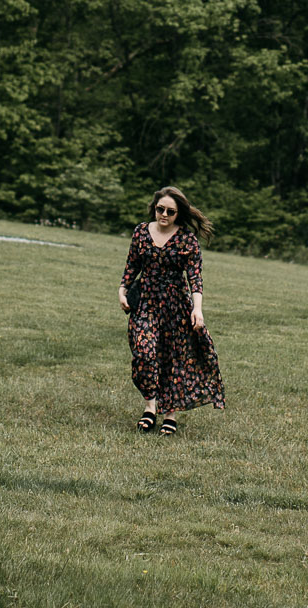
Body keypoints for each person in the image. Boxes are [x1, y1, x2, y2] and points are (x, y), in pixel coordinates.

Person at [119, 185, 224, 434]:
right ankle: (150, 406)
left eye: (170, 211)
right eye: (160, 209)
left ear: (179, 213)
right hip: (144, 302)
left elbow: (195, 278)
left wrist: (197, 310)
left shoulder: (187, 239)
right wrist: (121, 290)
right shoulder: (141, 233)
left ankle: (169, 415)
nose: (164, 215)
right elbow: (132, 265)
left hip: (175, 306)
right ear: (154, 209)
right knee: (144, 353)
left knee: (171, 360)